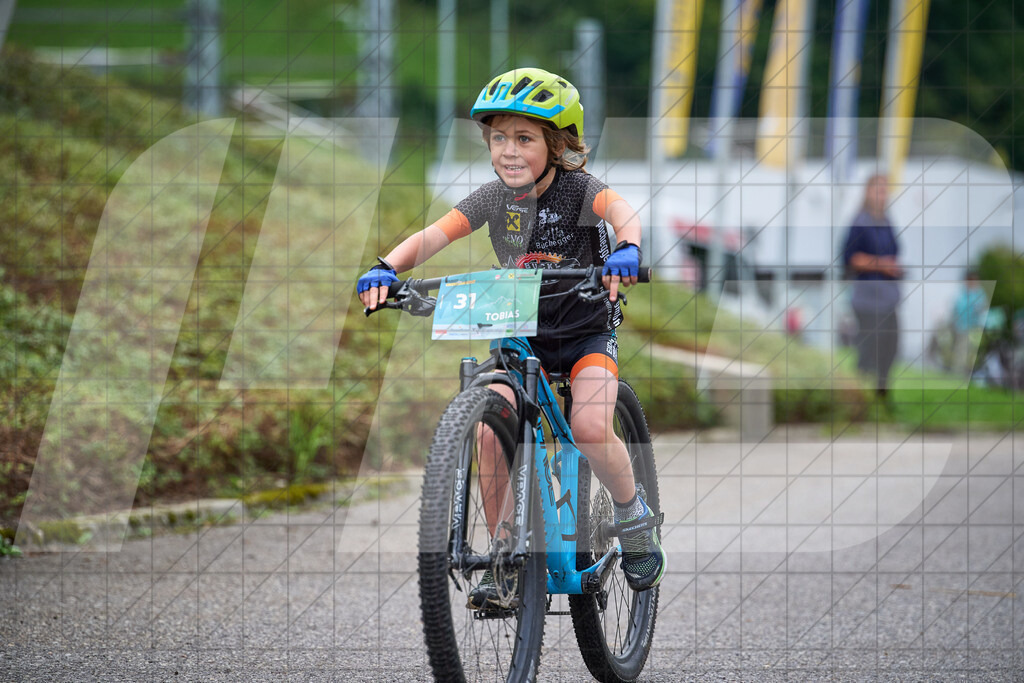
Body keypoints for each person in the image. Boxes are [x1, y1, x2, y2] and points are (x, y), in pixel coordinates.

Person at [356, 68, 666, 603]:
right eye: (499, 138)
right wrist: (387, 266)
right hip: (520, 334)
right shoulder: (493, 198)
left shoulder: (578, 190)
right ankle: (505, 558)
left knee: (590, 427)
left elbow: (622, 212)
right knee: (487, 429)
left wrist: (627, 248)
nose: (509, 151)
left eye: (525, 138)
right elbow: (436, 234)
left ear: (559, 144)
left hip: (585, 332)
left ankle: (632, 515)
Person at [842, 173, 902, 402]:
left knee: (890, 348)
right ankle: (859, 400)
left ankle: (881, 398)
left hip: (888, 298)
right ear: (868, 192)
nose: (883, 195)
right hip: (867, 300)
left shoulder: (886, 222)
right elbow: (851, 259)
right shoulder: (860, 222)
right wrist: (882, 265)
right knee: (869, 350)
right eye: (878, 190)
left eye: (885, 190)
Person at [951, 269, 986, 375]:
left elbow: (982, 309)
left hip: (974, 328)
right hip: (961, 327)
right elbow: (955, 310)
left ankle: (968, 373)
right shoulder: (961, 294)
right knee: (961, 351)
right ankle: (958, 373)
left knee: (971, 353)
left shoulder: (979, 294)